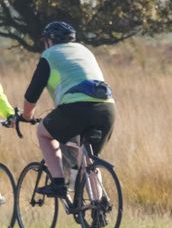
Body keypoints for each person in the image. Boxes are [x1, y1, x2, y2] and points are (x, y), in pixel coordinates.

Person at [21, 21, 116, 207]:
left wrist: (26, 116)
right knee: (89, 160)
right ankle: (98, 207)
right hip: (107, 108)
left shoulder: (49, 55)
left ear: (49, 41)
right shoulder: (85, 51)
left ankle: (58, 183)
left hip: (76, 108)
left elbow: (32, 94)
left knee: (42, 132)